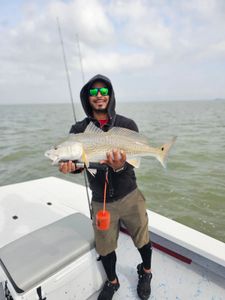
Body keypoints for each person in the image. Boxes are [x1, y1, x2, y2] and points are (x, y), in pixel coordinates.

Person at [59, 74, 152, 300]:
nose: (99, 96)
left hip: (129, 195)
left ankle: (146, 272)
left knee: (142, 237)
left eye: (103, 91)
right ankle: (112, 281)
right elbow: (80, 163)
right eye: (93, 92)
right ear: (87, 98)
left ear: (110, 95)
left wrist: (119, 167)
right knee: (105, 246)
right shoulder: (78, 129)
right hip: (101, 200)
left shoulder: (127, 125)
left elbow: (132, 164)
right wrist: (72, 168)